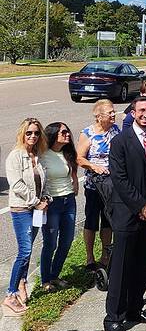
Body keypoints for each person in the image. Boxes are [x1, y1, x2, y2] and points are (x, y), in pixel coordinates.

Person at [104, 96, 146, 331]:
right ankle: (113, 318)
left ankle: (134, 309)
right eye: (141, 110)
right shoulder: (121, 142)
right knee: (121, 268)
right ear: (133, 112)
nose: (145, 114)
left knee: (142, 265)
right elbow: (119, 179)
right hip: (127, 214)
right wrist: (140, 205)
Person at [3, 119, 48, 316]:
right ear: (22, 134)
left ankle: (22, 284)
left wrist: (46, 199)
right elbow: (17, 185)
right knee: (25, 251)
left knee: (28, 250)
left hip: (38, 208)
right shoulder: (15, 156)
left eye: (36, 133)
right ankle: (10, 295)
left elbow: (42, 181)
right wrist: (35, 201)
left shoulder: (37, 156)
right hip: (22, 208)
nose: (33, 136)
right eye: (29, 133)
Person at [77, 100, 119, 270]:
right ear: (99, 116)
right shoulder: (88, 133)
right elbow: (79, 158)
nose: (113, 114)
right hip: (94, 184)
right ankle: (89, 257)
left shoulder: (116, 130)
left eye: (113, 111)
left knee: (108, 220)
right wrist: (94, 166)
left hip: (112, 184)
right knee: (92, 220)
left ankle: (105, 255)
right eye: (110, 112)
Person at [39, 122, 79, 292]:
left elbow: (73, 171)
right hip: (52, 203)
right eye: (63, 132)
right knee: (50, 243)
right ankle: (45, 280)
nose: (67, 134)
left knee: (66, 241)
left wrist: (75, 182)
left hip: (69, 201)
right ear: (53, 134)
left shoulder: (67, 153)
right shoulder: (43, 155)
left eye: (67, 131)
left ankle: (55, 275)